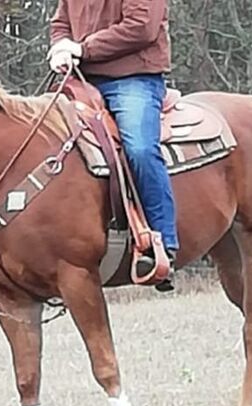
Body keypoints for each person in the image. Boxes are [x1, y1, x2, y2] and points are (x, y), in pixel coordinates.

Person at [48, 0, 178, 291]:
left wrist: (82, 49)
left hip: (133, 79)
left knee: (140, 149)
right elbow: (60, 23)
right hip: (81, 81)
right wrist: (60, 47)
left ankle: (163, 244)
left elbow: (141, 28)